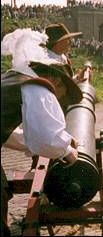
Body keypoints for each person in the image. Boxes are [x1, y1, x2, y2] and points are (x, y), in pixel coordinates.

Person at [1, 29, 83, 236]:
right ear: (56, 81)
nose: (59, 97)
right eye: (63, 93)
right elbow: (45, 139)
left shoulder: (13, 78)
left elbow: (8, 133)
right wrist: (67, 151)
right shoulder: (38, 88)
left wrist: (64, 141)